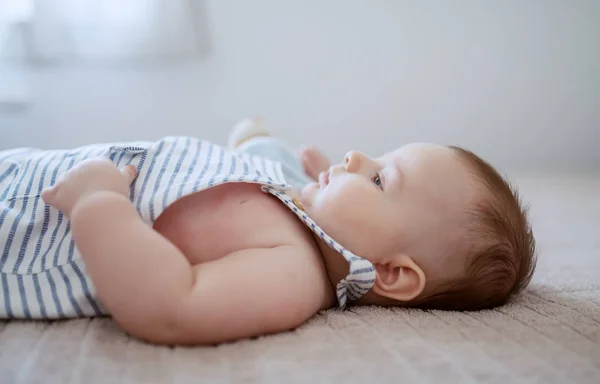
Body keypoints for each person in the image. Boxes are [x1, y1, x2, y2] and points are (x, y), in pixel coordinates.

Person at [0, 118, 536, 345]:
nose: (356, 155)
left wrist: (99, 202)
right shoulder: (300, 210)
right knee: (266, 156)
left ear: (393, 272)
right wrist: (335, 187)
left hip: (30, 231)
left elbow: (170, 306)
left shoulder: (292, 273)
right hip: (26, 169)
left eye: (379, 177)